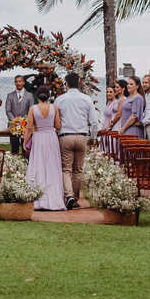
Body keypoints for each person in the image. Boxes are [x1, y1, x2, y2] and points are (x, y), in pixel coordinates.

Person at [57, 72, 98, 208]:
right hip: (81, 136)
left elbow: (56, 121)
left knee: (66, 169)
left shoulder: (60, 99)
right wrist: (93, 137)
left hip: (66, 136)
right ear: (79, 82)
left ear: (66, 83)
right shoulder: (86, 99)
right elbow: (94, 122)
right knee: (78, 170)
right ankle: (74, 198)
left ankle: (69, 196)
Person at [23, 86, 65, 211]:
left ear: (37, 96)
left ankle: (38, 199)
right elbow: (58, 126)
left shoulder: (33, 109)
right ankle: (54, 199)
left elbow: (29, 127)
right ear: (49, 96)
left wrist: (25, 142)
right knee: (52, 166)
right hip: (51, 138)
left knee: (38, 165)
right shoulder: (54, 108)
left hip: (39, 138)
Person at [4, 74, 35, 154]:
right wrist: (15, 121)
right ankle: (15, 165)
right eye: (16, 82)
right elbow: (8, 111)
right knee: (14, 149)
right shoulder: (10, 95)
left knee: (26, 149)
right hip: (13, 125)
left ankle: (26, 165)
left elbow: (31, 111)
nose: (18, 83)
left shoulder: (30, 95)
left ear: (24, 82)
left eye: (20, 81)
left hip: (26, 126)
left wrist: (24, 122)